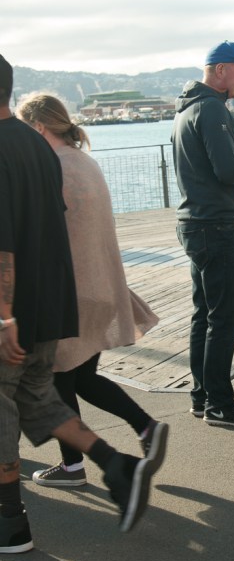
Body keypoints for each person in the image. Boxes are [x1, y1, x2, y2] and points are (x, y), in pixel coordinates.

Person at [0, 56, 158, 553]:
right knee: (38, 398)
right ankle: (118, 465)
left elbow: (4, 244)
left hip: (14, 307)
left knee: (6, 408)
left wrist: (4, 315)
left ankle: (10, 523)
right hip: (50, 302)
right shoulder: (38, 146)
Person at [17, 93, 169, 488]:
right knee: (79, 378)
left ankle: (74, 467)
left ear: (37, 127)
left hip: (70, 294)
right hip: (99, 287)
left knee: (57, 381)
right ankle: (146, 427)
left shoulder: (49, 167)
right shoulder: (84, 161)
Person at [172, 40, 234, 427]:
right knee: (225, 318)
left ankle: (202, 396)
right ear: (222, 69)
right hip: (215, 227)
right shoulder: (213, 110)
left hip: (194, 224)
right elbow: (228, 173)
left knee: (204, 316)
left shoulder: (188, 109)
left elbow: (212, 168)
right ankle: (219, 404)